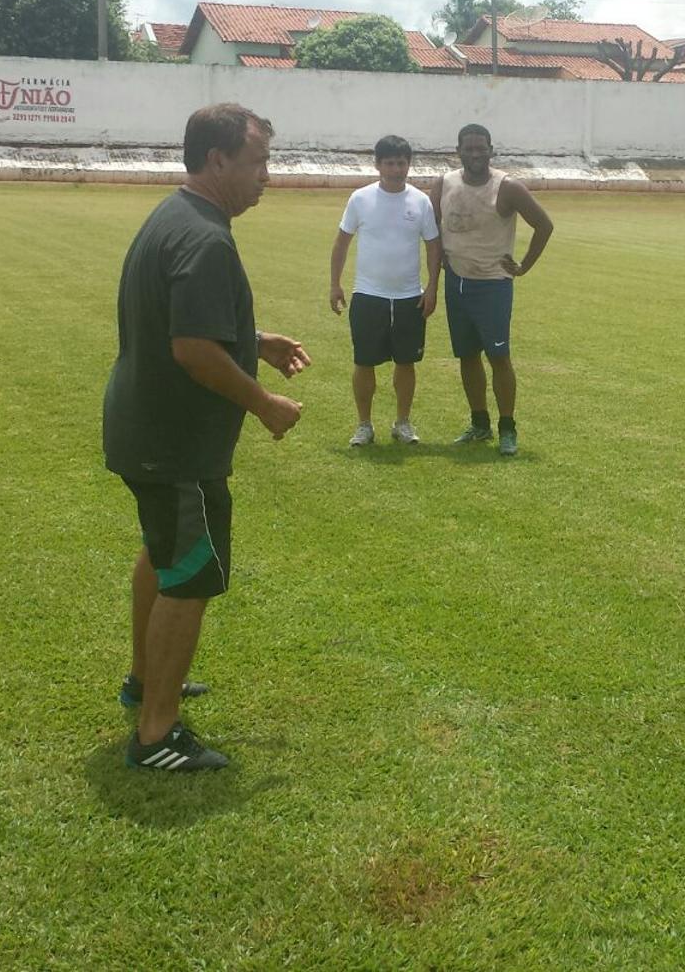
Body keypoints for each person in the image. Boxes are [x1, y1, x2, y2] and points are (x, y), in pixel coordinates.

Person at [103, 103, 310, 772]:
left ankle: (145, 682)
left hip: (146, 429)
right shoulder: (206, 238)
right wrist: (264, 403)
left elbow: (182, 321)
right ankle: (157, 733)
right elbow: (193, 348)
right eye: (258, 164)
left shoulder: (178, 215)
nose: (266, 178)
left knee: (162, 554)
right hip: (176, 443)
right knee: (190, 575)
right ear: (218, 161)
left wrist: (255, 341)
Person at [431, 123, 555, 457]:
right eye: (469, 148)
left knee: (498, 356)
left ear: (490, 149)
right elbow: (434, 231)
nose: (475, 154)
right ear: (458, 151)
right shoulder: (444, 184)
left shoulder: (507, 187)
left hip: (493, 286)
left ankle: (507, 428)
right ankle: (480, 424)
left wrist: (524, 266)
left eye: (481, 148)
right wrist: (439, 263)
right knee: (467, 356)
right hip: (456, 283)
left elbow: (544, 225)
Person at [329, 135, 444, 447]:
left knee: (406, 362)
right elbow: (342, 242)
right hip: (368, 296)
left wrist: (432, 287)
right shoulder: (360, 199)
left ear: (409, 164)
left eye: (401, 162)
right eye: (390, 163)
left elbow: (433, 246)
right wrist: (334, 284)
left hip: (410, 296)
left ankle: (402, 423)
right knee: (364, 361)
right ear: (378, 164)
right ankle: (364, 425)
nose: (396, 169)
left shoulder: (419, 201)